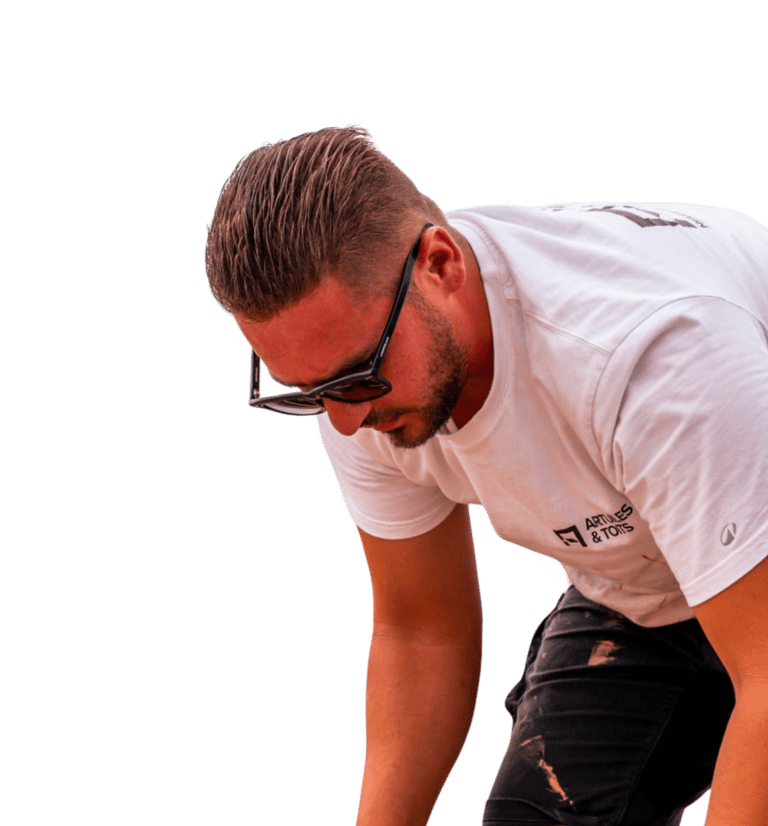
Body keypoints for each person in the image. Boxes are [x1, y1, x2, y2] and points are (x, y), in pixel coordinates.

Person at [204, 123, 768, 826]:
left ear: (441, 264)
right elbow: (423, 631)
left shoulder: (653, 359)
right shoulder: (357, 375)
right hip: (649, 589)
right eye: (308, 392)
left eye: (355, 377)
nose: (343, 421)